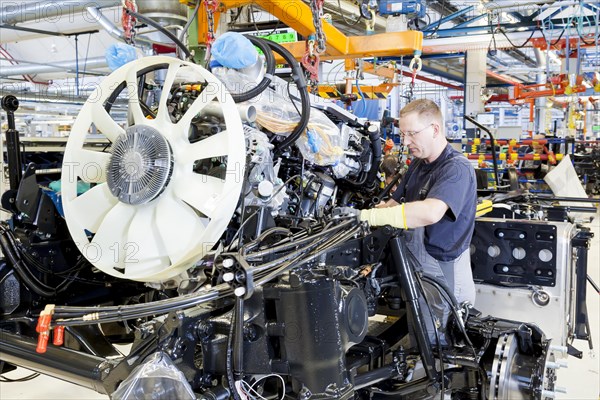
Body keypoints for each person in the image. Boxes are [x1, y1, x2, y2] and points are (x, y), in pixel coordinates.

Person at [359, 99, 477, 341]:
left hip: (445, 271)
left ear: (434, 129)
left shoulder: (457, 168)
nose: (405, 142)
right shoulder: (418, 165)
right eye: (403, 134)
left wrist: (371, 215)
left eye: (411, 134)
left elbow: (430, 212)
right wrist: (363, 219)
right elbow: (394, 203)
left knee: (444, 341)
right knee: (422, 333)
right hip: (419, 267)